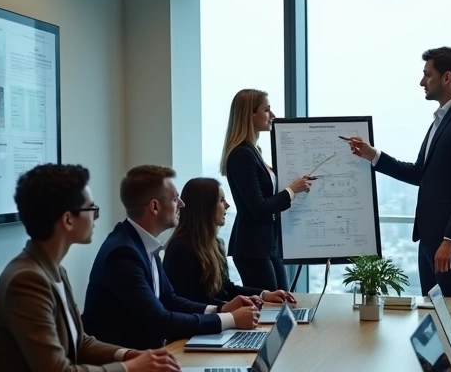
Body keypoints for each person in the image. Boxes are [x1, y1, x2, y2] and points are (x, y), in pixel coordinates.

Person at [0, 164, 180, 372]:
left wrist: (129, 356)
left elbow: (82, 342)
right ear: (67, 220)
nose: (96, 216)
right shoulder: (27, 280)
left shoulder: (52, 268)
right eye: (91, 208)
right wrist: (130, 370)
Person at [347, 47, 451, 298]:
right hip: (430, 238)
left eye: (427, 75)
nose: (422, 82)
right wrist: (373, 155)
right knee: (433, 313)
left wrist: (450, 241)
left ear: (446, 77)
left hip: (450, 242)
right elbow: (419, 173)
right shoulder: (440, 120)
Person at [81, 165, 259, 351]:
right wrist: (230, 319)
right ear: (155, 207)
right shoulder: (123, 254)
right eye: (175, 199)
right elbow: (162, 321)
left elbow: (169, 299)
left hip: (150, 358)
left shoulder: (141, 243)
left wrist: (221, 309)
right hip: (125, 368)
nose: (182, 204)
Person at [221, 89, 312, 291]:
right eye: (267, 110)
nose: (273, 116)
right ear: (250, 114)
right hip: (252, 248)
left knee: (282, 301)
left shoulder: (254, 152)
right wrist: (291, 190)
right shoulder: (241, 155)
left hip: (266, 245)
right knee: (271, 308)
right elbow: (259, 207)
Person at [163, 177, 297, 306]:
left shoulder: (215, 244)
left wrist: (264, 294)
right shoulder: (180, 249)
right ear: (205, 207)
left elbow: (226, 289)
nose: (227, 205)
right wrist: (227, 310)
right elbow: (187, 302)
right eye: (221, 200)